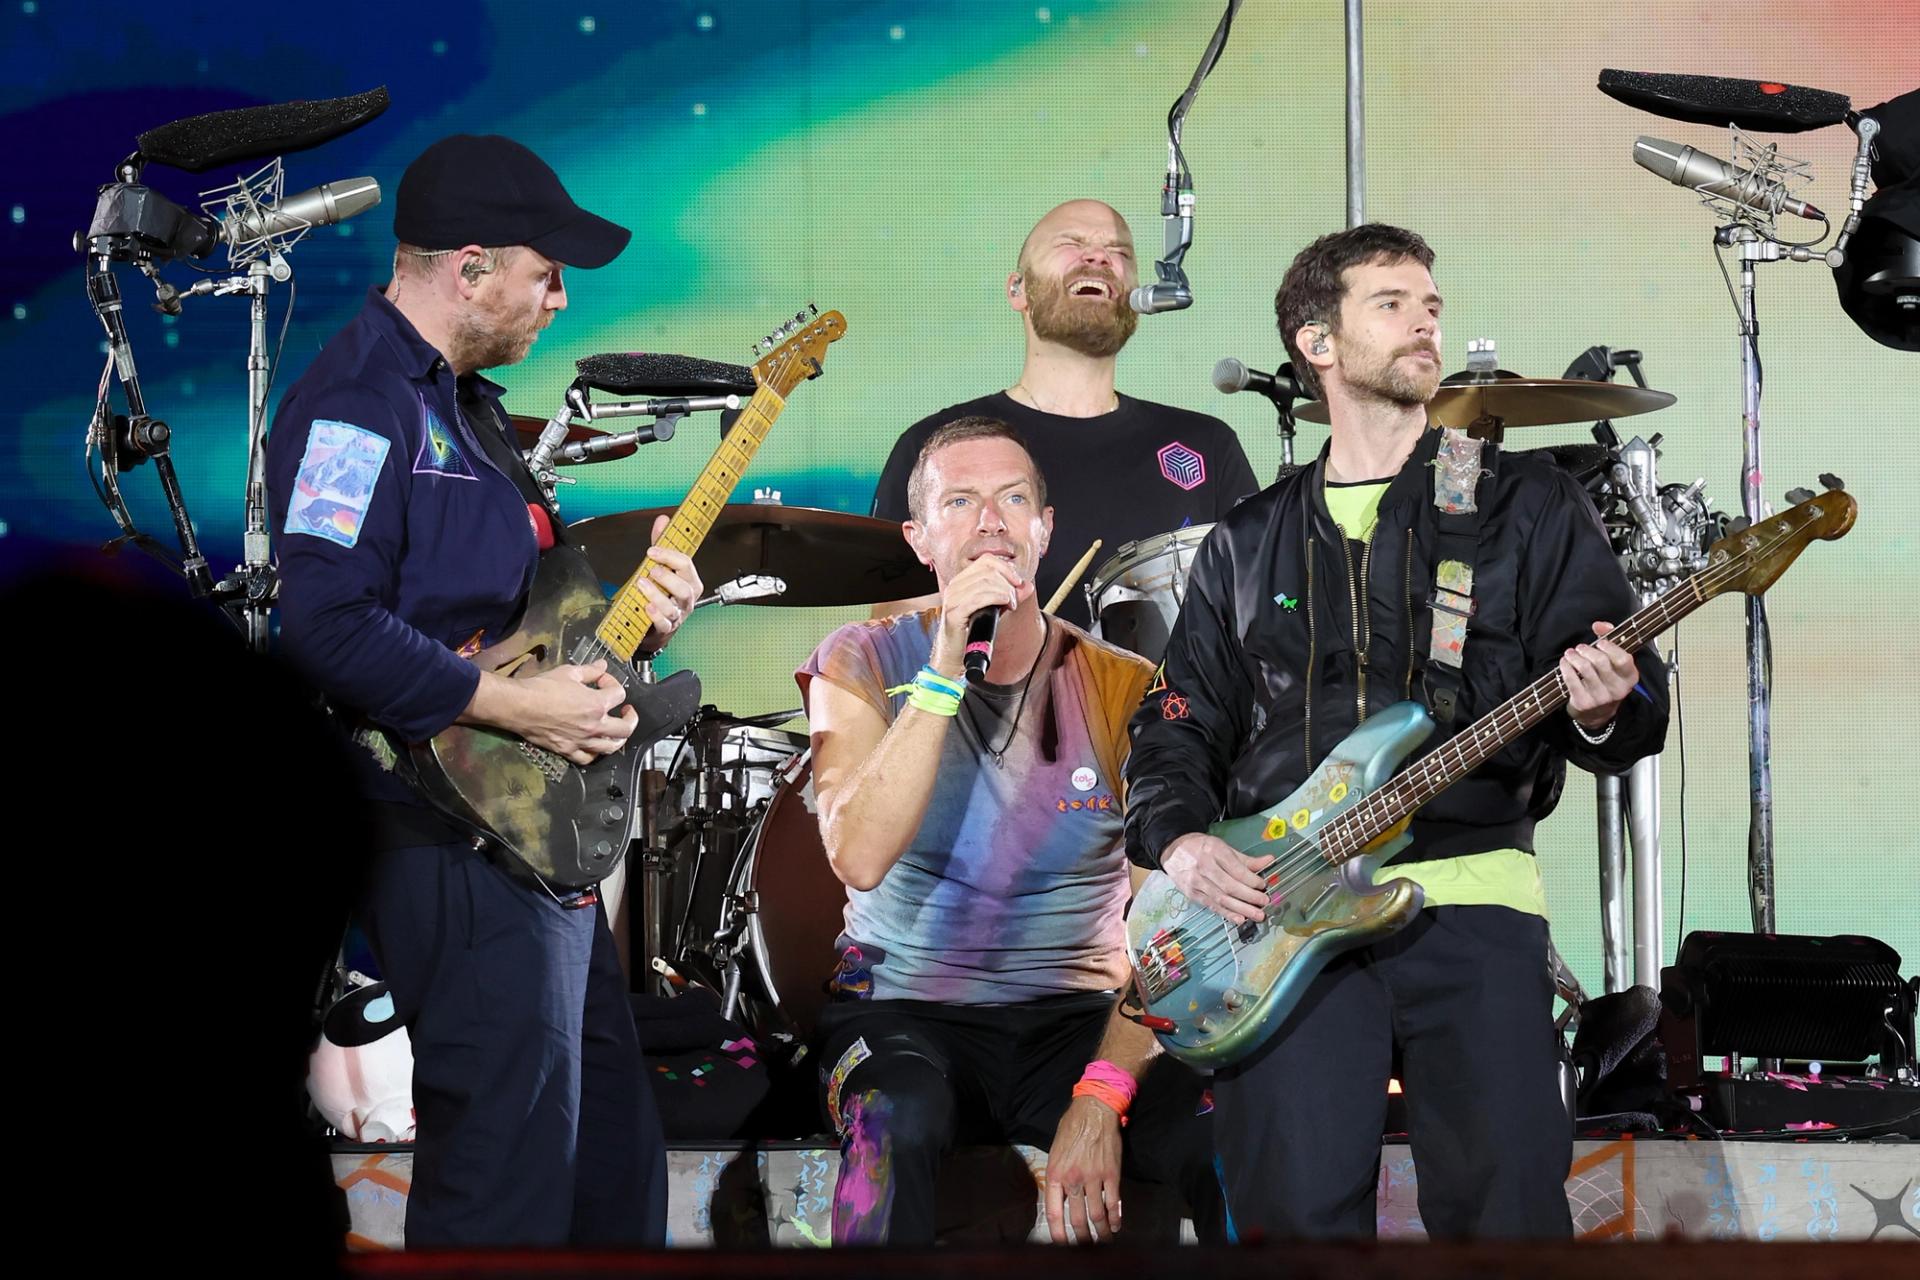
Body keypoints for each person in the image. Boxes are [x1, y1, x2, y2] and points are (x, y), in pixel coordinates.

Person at [1122, 223, 1670, 1240]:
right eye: (1392, 303)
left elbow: (1630, 696)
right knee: (1291, 1219)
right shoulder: (1248, 538)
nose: (1426, 319)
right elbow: (1178, 721)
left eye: (1432, 302)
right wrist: (1184, 840)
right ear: (1316, 342)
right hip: (1277, 923)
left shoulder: (1521, 501)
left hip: (1474, 902)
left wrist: (1605, 704)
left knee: (1507, 1215)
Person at [266, 134, 703, 1247]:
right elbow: (321, 620)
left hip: (531, 844)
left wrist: (635, 618)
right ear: (468, 269)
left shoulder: (473, 412)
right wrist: (513, 707)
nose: (559, 298)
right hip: (447, 837)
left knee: (613, 1176)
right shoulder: (358, 404)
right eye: (544, 272)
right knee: (505, 1187)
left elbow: (521, 630)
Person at [800, 417, 1223, 1245]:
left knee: (1228, 1132)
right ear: (921, 540)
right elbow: (856, 854)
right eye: (961, 501)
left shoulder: (1122, 686)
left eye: (1013, 499)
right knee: (895, 1123)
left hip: (1077, 1016)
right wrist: (945, 667)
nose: (991, 521)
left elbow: (1170, 928)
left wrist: (1101, 1093)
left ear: (1045, 528)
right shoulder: (862, 658)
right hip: (902, 1017)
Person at [870, 200, 1257, 631]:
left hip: (1168, 699)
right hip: (987, 698)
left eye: (1121, 252)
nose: (1098, 257)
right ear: (1017, 289)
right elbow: (897, 639)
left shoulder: (1205, 445)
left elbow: (1255, 614)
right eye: (1072, 244)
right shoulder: (940, 448)